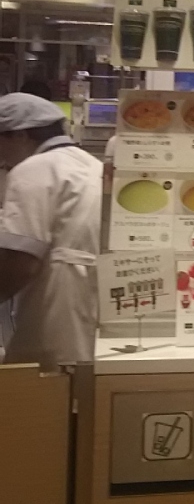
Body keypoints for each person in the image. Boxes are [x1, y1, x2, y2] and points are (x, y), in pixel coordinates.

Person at [0, 94, 102, 368]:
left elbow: (21, 261)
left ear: (20, 136)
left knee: (45, 383)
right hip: (96, 295)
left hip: (57, 299)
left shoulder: (32, 169)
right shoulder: (92, 165)